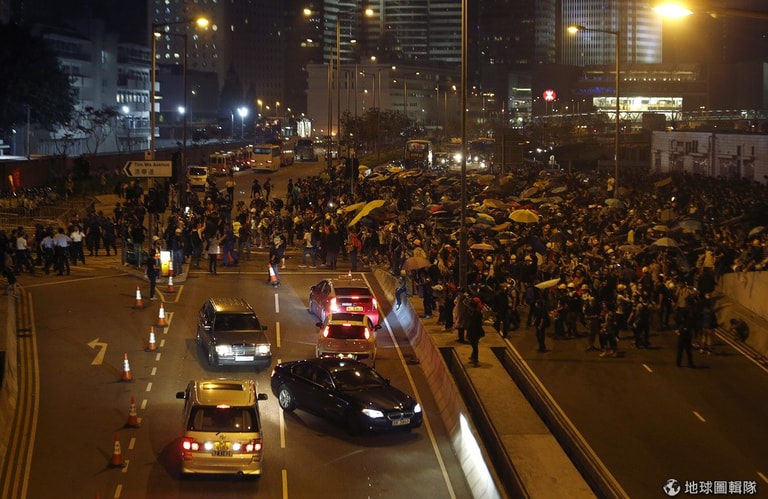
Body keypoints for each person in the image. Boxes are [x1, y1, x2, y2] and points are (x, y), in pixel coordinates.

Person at [467, 296, 485, 366]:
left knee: (475, 346)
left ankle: (475, 360)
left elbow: (476, 324)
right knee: (474, 346)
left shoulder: (477, 314)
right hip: (473, 332)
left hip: (475, 332)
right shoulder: (474, 313)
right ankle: (473, 357)